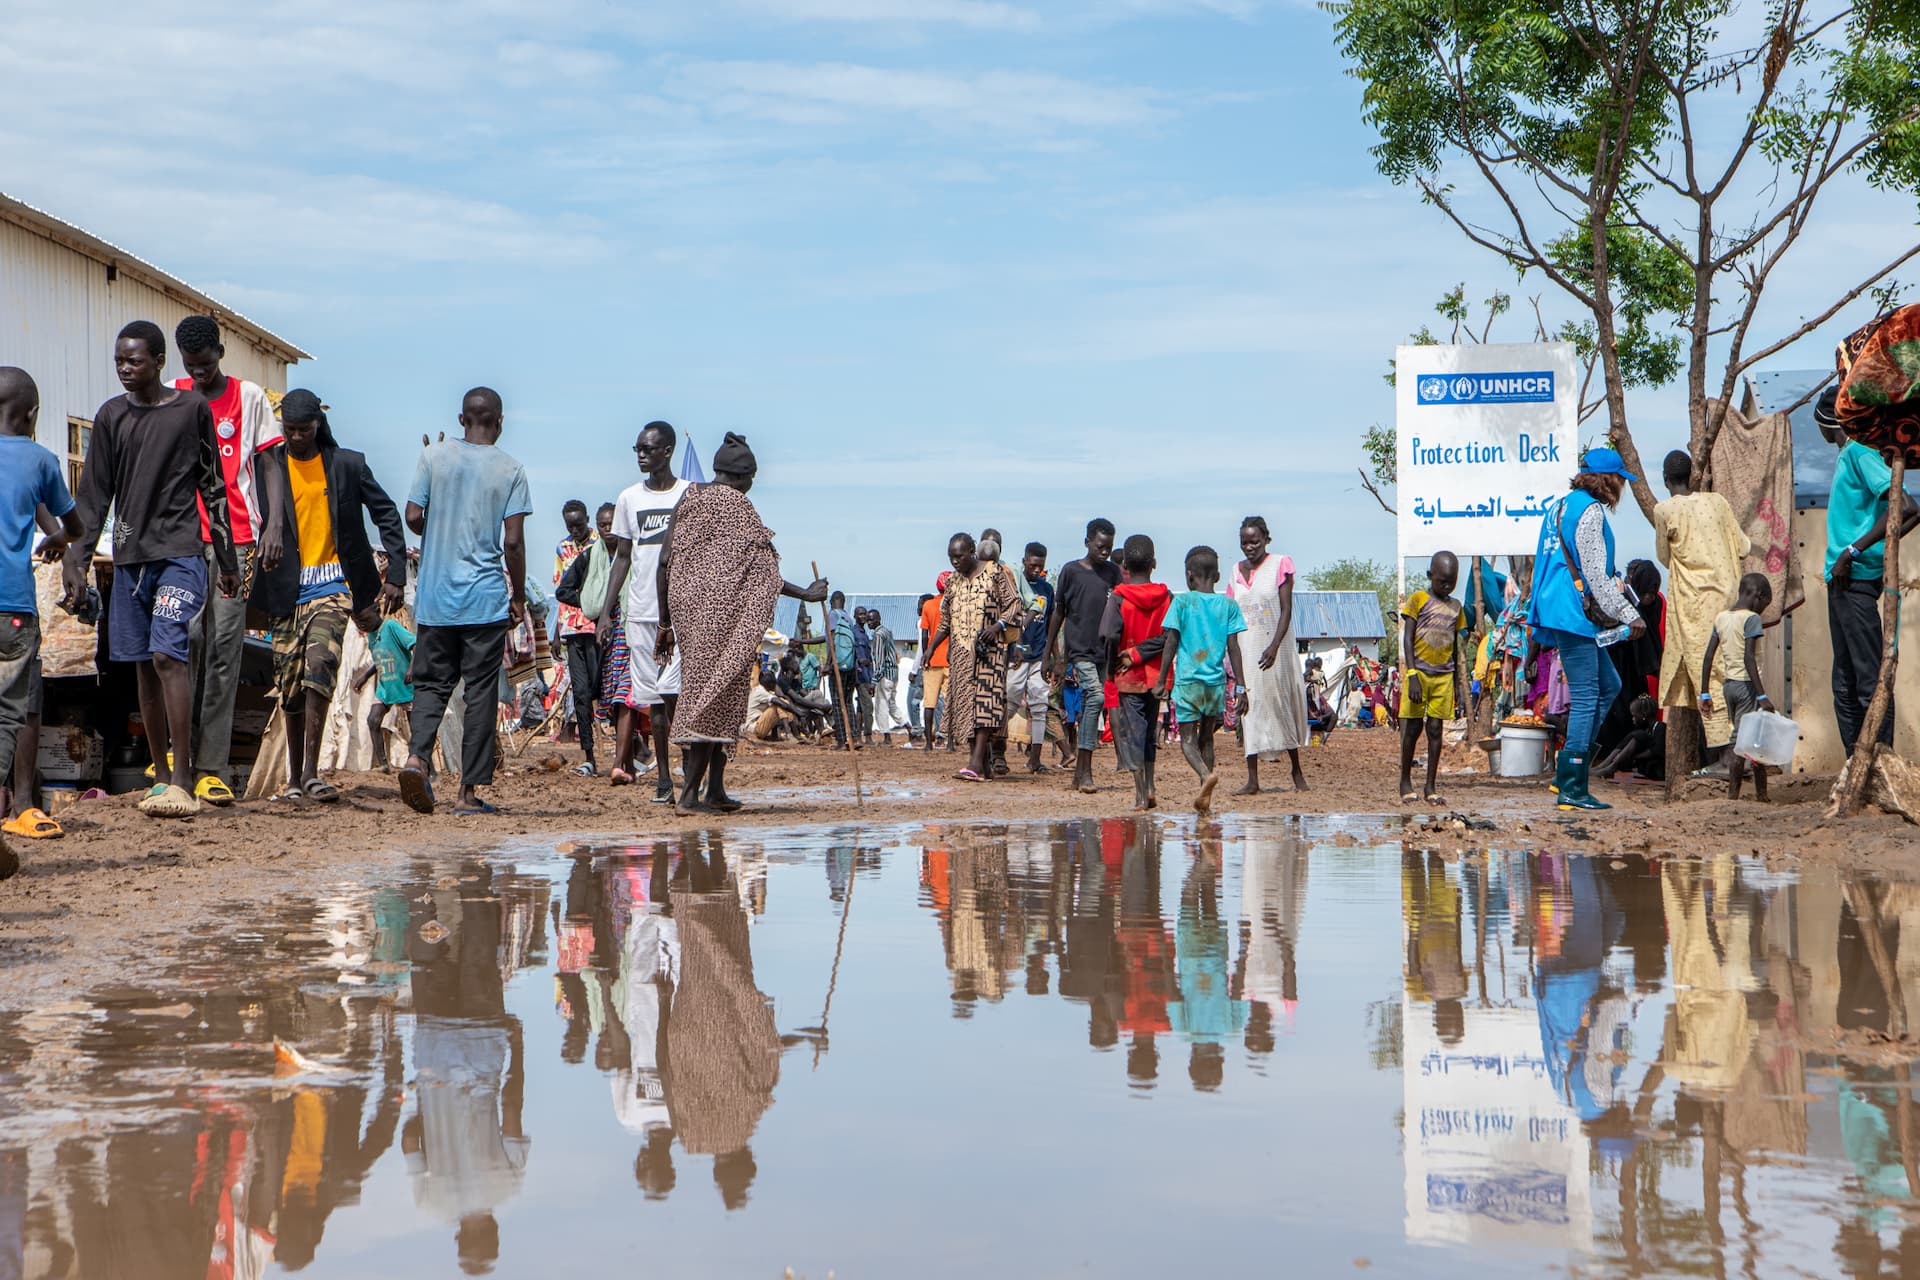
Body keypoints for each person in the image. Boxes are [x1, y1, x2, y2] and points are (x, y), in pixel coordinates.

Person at [64, 321, 239, 818]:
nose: (124, 368)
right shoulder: (111, 417)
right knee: (142, 663)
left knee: (168, 655)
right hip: (130, 560)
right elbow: (93, 496)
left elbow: (213, 485)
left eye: (135, 360)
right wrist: (77, 562)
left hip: (180, 555)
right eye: (119, 360)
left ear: (160, 362)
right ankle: (161, 778)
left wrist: (226, 559)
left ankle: (185, 776)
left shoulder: (190, 410)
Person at [657, 433, 827, 812]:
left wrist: (665, 623)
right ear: (744, 476)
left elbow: (665, 559)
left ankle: (714, 790)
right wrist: (808, 595)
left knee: (723, 696)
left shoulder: (689, 498)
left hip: (689, 618)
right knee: (712, 699)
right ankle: (689, 796)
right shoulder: (738, 507)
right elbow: (765, 573)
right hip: (723, 622)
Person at [252, 389, 407, 802]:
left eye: (304, 429)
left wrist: (396, 569)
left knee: (320, 663)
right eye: (290, 430)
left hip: (335, 585)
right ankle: (294, 781)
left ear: (318, 424)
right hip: (285, 587)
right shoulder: (269, 466)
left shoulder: (346, 465)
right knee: (289, 684)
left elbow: (386, 512)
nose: (297, 437)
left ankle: (311, 772)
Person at [398, 387, 532, 816]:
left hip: (436, 597)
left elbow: (414, 516)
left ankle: (417, 759)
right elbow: (512, 541)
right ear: (500, 421)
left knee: (431, 685)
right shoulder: (511, 469)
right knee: (479, 694)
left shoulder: (433, 457)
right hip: (485, 600)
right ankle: (467, 794)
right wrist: (518, 596)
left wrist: (441, 530)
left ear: (461, 419)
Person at [173, 316, 285, 806]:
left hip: (236, 540)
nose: (197, 374)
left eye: (205, 363)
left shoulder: (251, 397)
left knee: (224, 648)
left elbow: (269, 461)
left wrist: (275, 524)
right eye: (189, 365)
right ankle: (179, 760)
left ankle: (211, 766)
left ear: (220, 352)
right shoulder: (172, 393)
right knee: (182, 641)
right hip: (179, 538)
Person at [1529, 448, 1646, 811]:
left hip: (1556, 607)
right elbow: (1595, 577)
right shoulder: (1590, 512)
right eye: (1621, 481)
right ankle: (1572, 788)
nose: (1623, 489)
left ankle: (1565, 774)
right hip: (1573, 612)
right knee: (1585, 695)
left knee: (1608, 685)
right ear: (1609, 480)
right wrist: (1631, 615)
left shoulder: (1560, 506)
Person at [0, 369, 81, 850]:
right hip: (12, 609)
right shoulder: (41, 459)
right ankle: (14, 806)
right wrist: (58, 539)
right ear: (32, 415)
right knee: (12, 712)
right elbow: (75, 523)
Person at [1818, 390, 1920, 757]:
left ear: (1825, 424)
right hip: (1842, 579)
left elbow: (1908, 507)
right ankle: (1855, 764)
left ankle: (1880, 761)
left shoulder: (1859, 451)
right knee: (1844, 682)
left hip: (1856, 577)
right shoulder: (1851, 455)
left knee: (1866, 679)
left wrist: (1853, 550)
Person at [602, 421, 692, 802]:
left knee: (678, 695)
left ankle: (691, 774)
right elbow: (623, 557)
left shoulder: (690, 495)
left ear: (667, 450)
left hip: (682, 613)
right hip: (640, 612)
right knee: (652, 698)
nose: (640, 455)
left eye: (648, 449)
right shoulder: (628, 499)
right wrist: (607, 611)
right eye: (637, 448)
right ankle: (665, 780)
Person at [1653, 450, 1750, 757]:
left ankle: (1724, 754)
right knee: (1735, 667)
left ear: (1666, 480)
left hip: (1695, 606)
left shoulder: (1664, 510)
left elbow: (1664, 558)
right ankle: (1743, 747)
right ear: (1691, 475)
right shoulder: (1717, 502)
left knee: (1706, 672)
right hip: (1731, 599)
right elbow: (1743, 546)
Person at [924, 533, 1024, 784]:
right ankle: (981, 764)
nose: (955, 561)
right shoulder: (953, 583)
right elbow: (945, 621)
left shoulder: (996, 573)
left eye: (959, 556)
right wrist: (930, 648)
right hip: (960, 653)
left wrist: (998, 626)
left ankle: (975, 764)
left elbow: (1014, 605)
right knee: (967, 706)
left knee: (986, 705)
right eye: (951, 557)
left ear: (972, 551)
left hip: (989, 652)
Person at [1156, 545, 1247, 815]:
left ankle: (1205, 777)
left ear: (1189, 576)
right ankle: (1204, 793)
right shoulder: (1228, 605)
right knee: (1207, 738)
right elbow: (1234, 648)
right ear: (1217, 576)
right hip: (1215, 684)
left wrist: (1162, 679)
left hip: (1188, 682)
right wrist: (1241, 687)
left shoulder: (1182, 603)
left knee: (1187, 739)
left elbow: (1170, 642)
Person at [1226, 516, 1309, 794]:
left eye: (1255, 541)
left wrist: (1274, 646)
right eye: (1244, 542)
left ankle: (1296, 770)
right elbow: (1231, 614)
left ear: (1266, 540)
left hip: (1275, 649)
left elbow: (1285, 610)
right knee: (1248, 709)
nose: (1250, 547)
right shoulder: (1235, 572)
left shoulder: (1280, 564)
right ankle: (1252, 779)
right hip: (1246, 650)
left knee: (1279, 703)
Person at [1045, 518, 1120, 793]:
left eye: (1109, 548)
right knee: (1096, 697)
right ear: (1087, 542)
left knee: (1095, 705)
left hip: (1105, 652)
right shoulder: (1071, 572)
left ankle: (1079, 773)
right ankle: (1085, 770)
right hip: (1079, 651)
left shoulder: (1113, 574)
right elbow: (1059, 613)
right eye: (1100, 546)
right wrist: (1051, 655)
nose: (1105, 552)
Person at [1102, 535, 1173, 811]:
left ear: (1126, 566)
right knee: (1150, 731)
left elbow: (1109, 636)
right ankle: (1152, 785)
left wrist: (1116, 665)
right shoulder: (1166, 597)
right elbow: (1170, 636)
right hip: (1158, 675)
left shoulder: (1119, 598)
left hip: (1128, 678)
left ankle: (1141, 794)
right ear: (1153, 563)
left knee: (1135, 734)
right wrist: (1143, 653)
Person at [1396, 551, 1468, 806]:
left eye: (1452, 581)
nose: (1447, 586)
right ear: (1430, 576)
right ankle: (1405, 780)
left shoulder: (1456, 607)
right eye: (1442, 581)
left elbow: (1457, 647)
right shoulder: (1418, 600)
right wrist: (1412, 673)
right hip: (1420, 675)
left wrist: (1459, 684)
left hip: (1444, 677)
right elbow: (1407, 637)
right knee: (1413, 729)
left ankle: (1431, 786)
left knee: (1436, 730)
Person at [1701, 573, 1776, 802]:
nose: (1762, 610)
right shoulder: (1751, 619)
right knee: (1741, 743)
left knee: (1753, 741)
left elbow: (1707, 657)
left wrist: (1704, 692)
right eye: (1764, 605)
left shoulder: (1721, 618)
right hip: (1746, 687)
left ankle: (1762, 795)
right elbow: (1749, 658)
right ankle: (1733, 796)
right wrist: (1762, 695)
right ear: (1757, 596)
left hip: (1729, 687)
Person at [553, 499, 605, 776]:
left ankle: (633, 748)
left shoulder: (603, 542)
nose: (575, 529)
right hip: (572, 630)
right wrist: (555, 634)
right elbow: (560, 591)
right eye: (570, 525)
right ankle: (589, 756)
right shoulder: (562, 548)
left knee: (604, 688)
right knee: (582, 694)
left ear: (587, 519)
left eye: (579, 524)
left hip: (599, 628)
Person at [1005, 542, 1054, 773]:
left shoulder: (1047, 590)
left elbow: (1053, 623)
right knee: (1010, 702)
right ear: (1024, 561)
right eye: (1033, 565)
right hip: (1017, 656)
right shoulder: (1013, 586)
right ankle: (995, 750)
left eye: (1041, 566)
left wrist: (1053, 656)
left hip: (1039, 656)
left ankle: (1034, 759)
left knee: (1039, 706)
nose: (1037, 570)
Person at [357, 604, 415, 770]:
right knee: (373, 720)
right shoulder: (372, 635)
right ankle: (383, 764)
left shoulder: (390, 627)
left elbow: (415, 644)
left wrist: (411, 669)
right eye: (359, 623)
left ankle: (426, 767)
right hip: (385, 686)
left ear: (376, 611)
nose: (363, 626)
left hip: (403, 684)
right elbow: (380, 659)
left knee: (416, 729)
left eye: (365, 620)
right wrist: (365, 676)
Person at [1595, 695, 1666, 782]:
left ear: (1644, 715)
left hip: (1658, 770)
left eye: (1634, 716)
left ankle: (1612, 767)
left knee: (1639, 734)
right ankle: (1605, 765)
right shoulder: (1647, 729)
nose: (1633, 719)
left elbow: (1657, 751)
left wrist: (1633, 757)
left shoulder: (1660, 727)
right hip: (1646, 767)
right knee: (1634, 734)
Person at [825, 592, 862, 750]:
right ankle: (854, 737)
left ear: (832, 601)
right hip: (850, 666)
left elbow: (832, 641)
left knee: (837, 702)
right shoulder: (848, 618)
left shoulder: (833, 615)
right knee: (848, 702)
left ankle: (841, 740)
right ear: (844, 602)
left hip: (837, 666)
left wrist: (828, 663)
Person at [917, 584, 950, 749]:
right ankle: (950, 743)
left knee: (929, 702)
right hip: (951, 660)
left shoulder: (928, 605)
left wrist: (926, 655)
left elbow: (925, 634)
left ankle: (928, 743)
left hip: (932, 660)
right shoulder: (955, 603)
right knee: (951, 702)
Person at [866, 606, 903, 745]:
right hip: (893, 673)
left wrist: (874, 681)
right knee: (891, 703)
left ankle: (886, 737)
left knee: (881, 705)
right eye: (868, 620)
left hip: (885, 675)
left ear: (878, 619)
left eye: (871, 620)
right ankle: (910, 728)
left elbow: (879, 660)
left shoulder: (878, 635)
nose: (869, 622)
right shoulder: (887, 631)